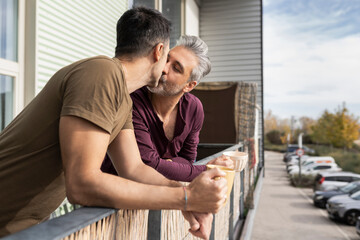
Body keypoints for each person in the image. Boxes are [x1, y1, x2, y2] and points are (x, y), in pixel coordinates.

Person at [0, 7, 228, 239]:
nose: (167, 68)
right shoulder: (101, 74)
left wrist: (187, 195)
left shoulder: (121, 97)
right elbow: (82, 185)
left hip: (23, 227)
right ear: (159, 51)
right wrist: (187, 199)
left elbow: (135, 169)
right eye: (168, 56)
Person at [101, 35, 233, 182]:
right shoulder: (132, 100)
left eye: (176, 68)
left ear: (189, 85)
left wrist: (167, 165)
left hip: (153, 197)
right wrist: (204, 170)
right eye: (166, 58)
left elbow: (188, 160)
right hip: (111, 196)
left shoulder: (194, 109)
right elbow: (147, 165)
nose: (163, 68)